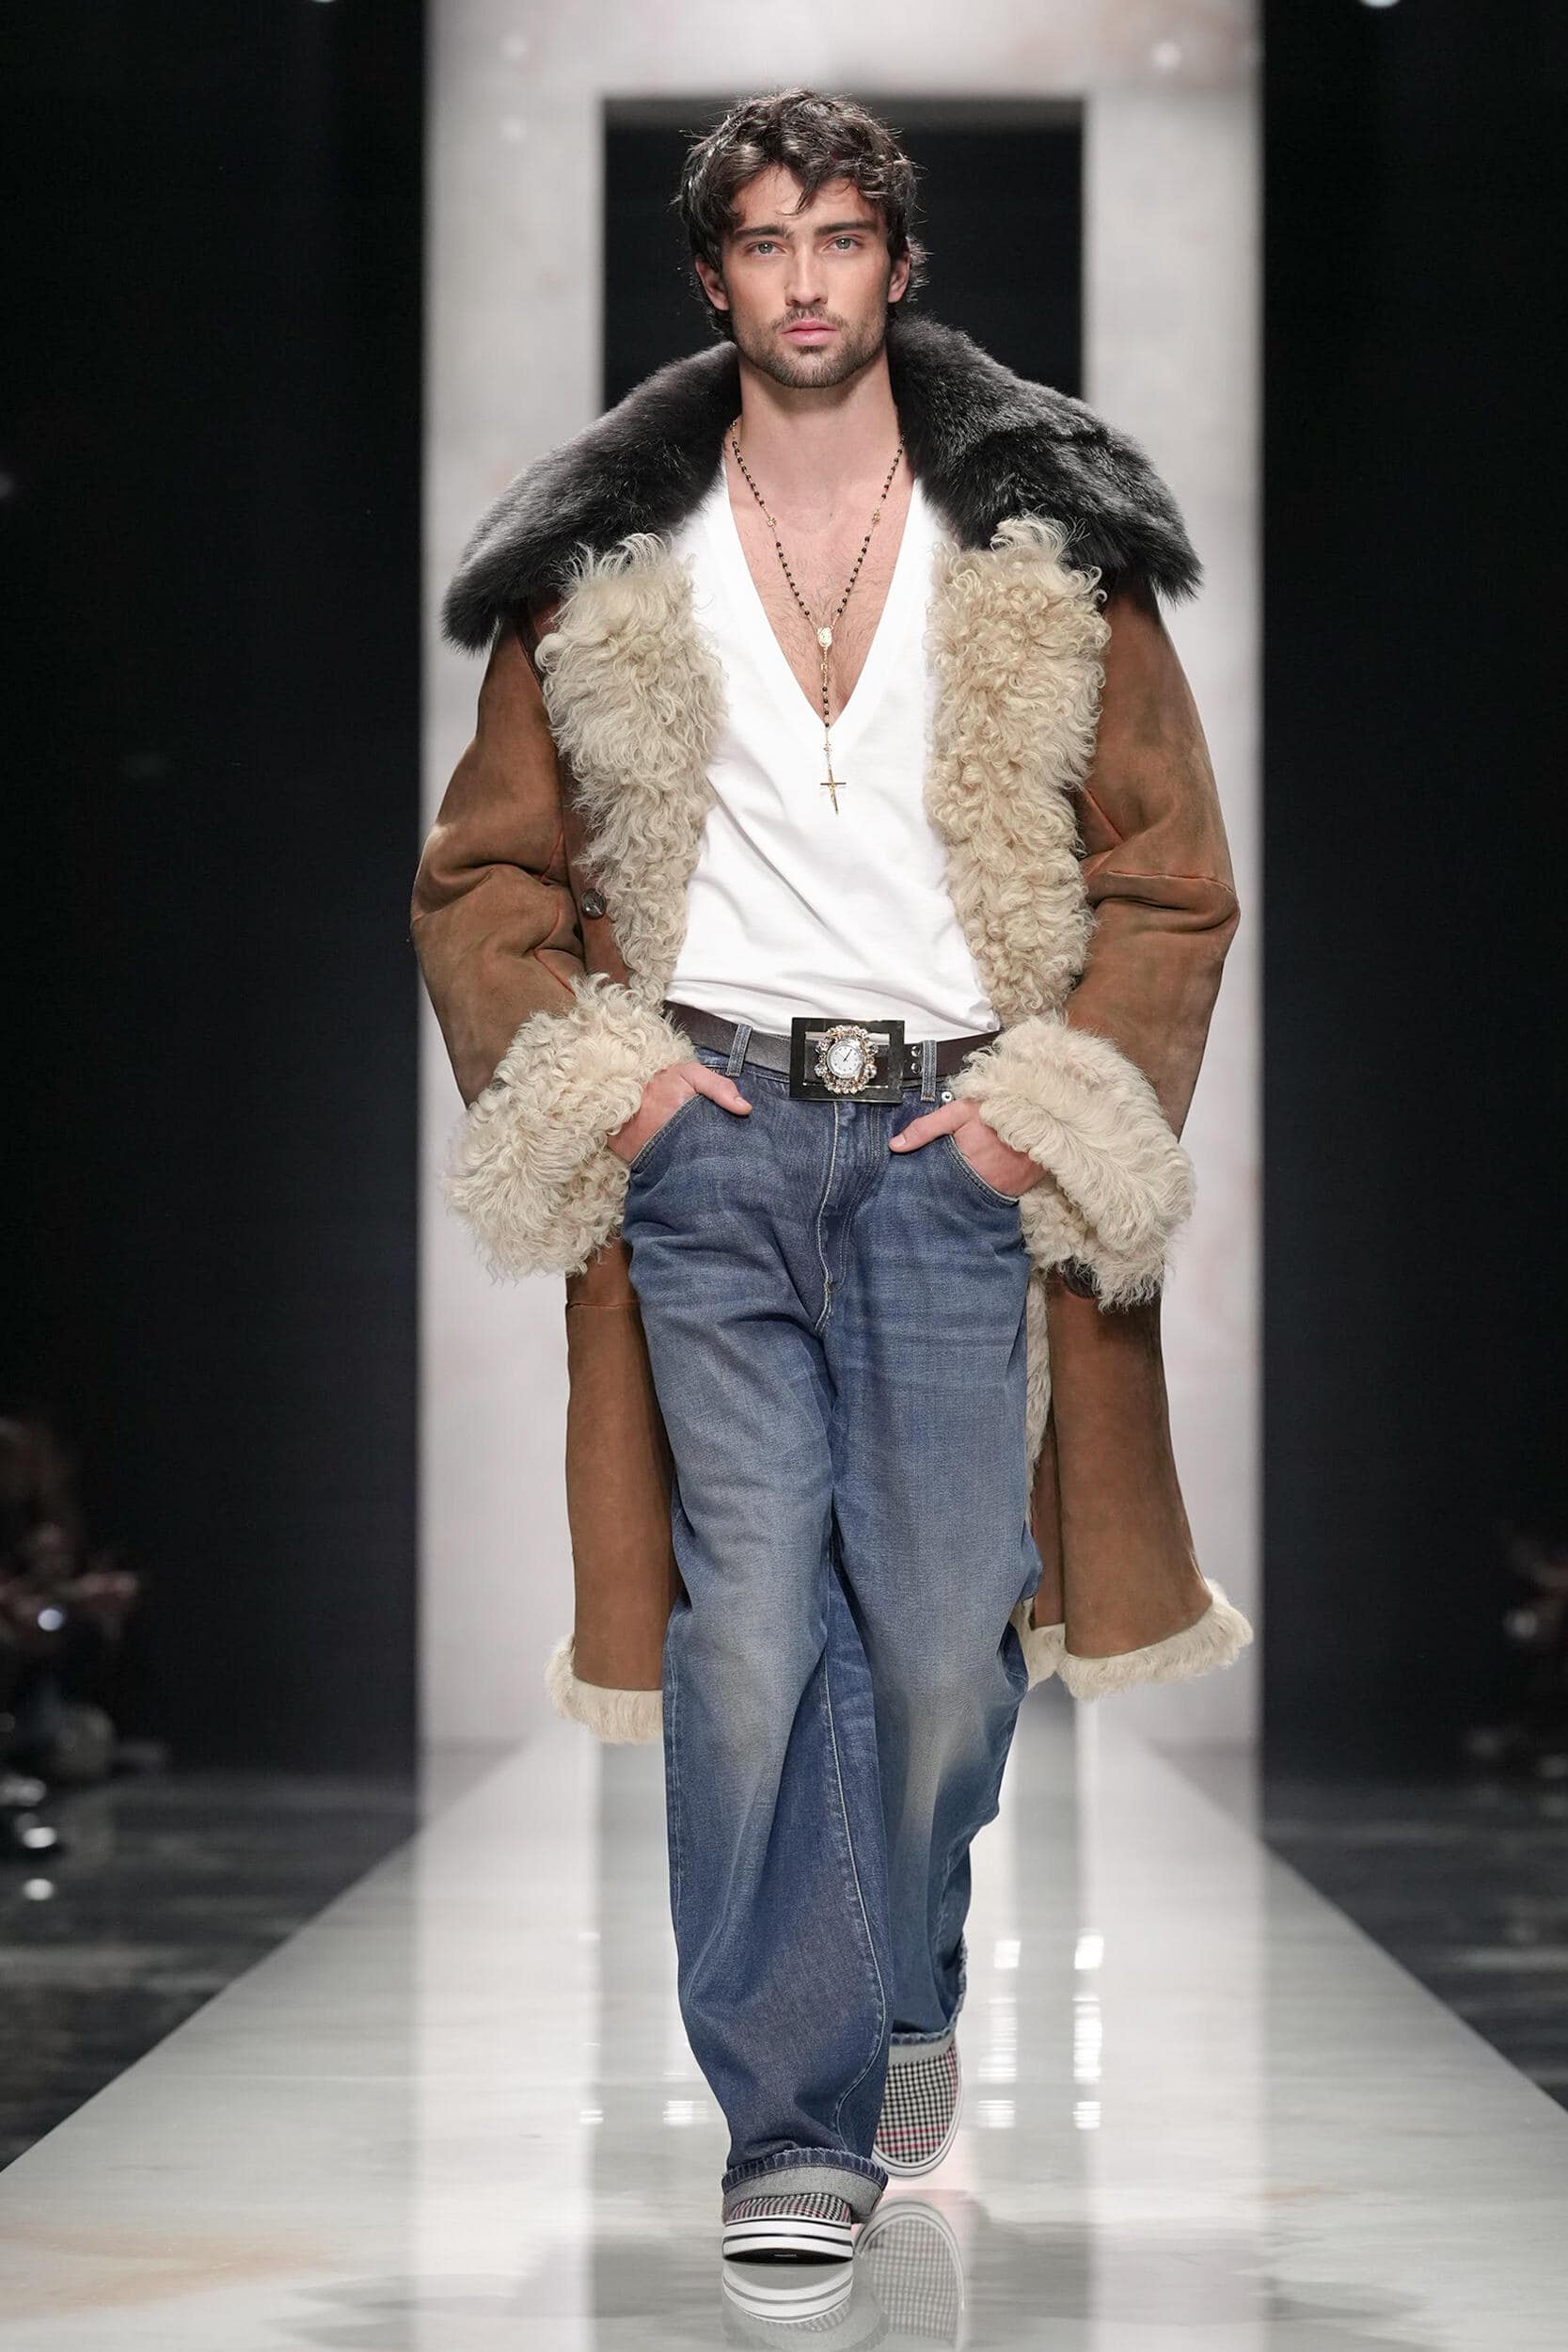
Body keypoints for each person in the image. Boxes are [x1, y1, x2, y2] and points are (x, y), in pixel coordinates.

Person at [412, 85, 1251, 2274]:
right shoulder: (606, 557)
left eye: (841, 238)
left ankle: (900, 1977)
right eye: (766, 242)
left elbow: (1170, 875)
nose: (805, 280)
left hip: (949, 1147)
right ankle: (790, 2118)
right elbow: (484, 876)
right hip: (707, 1142)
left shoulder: (1040, 536)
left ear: (896, 262)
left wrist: (1034, 1114)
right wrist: (618, 1093)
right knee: (755, 1632)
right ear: (715, 275)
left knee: (951, 1635)